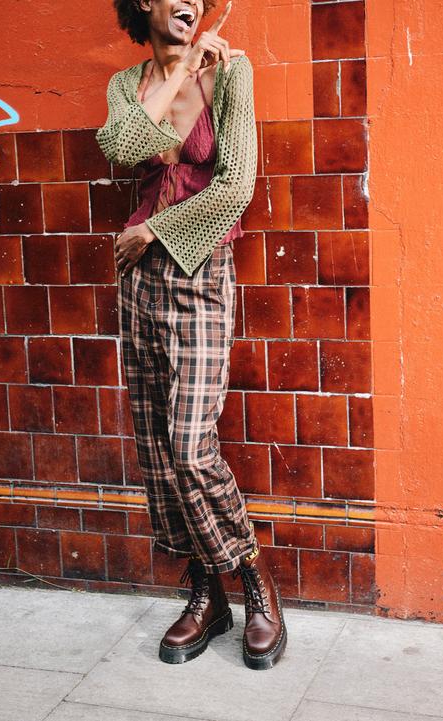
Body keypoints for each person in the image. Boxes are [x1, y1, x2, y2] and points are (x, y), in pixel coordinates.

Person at [96, 0, 287, 670]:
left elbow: (237, 186)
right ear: (143, 3)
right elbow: (122, 147)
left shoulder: (232, 73)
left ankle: (255, 577)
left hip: (201, 271)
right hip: (138, 283)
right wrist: (178, 70)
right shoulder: (127, 85)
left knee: (189, 444)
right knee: (156, 446)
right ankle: (207, 593)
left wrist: (154, 229)